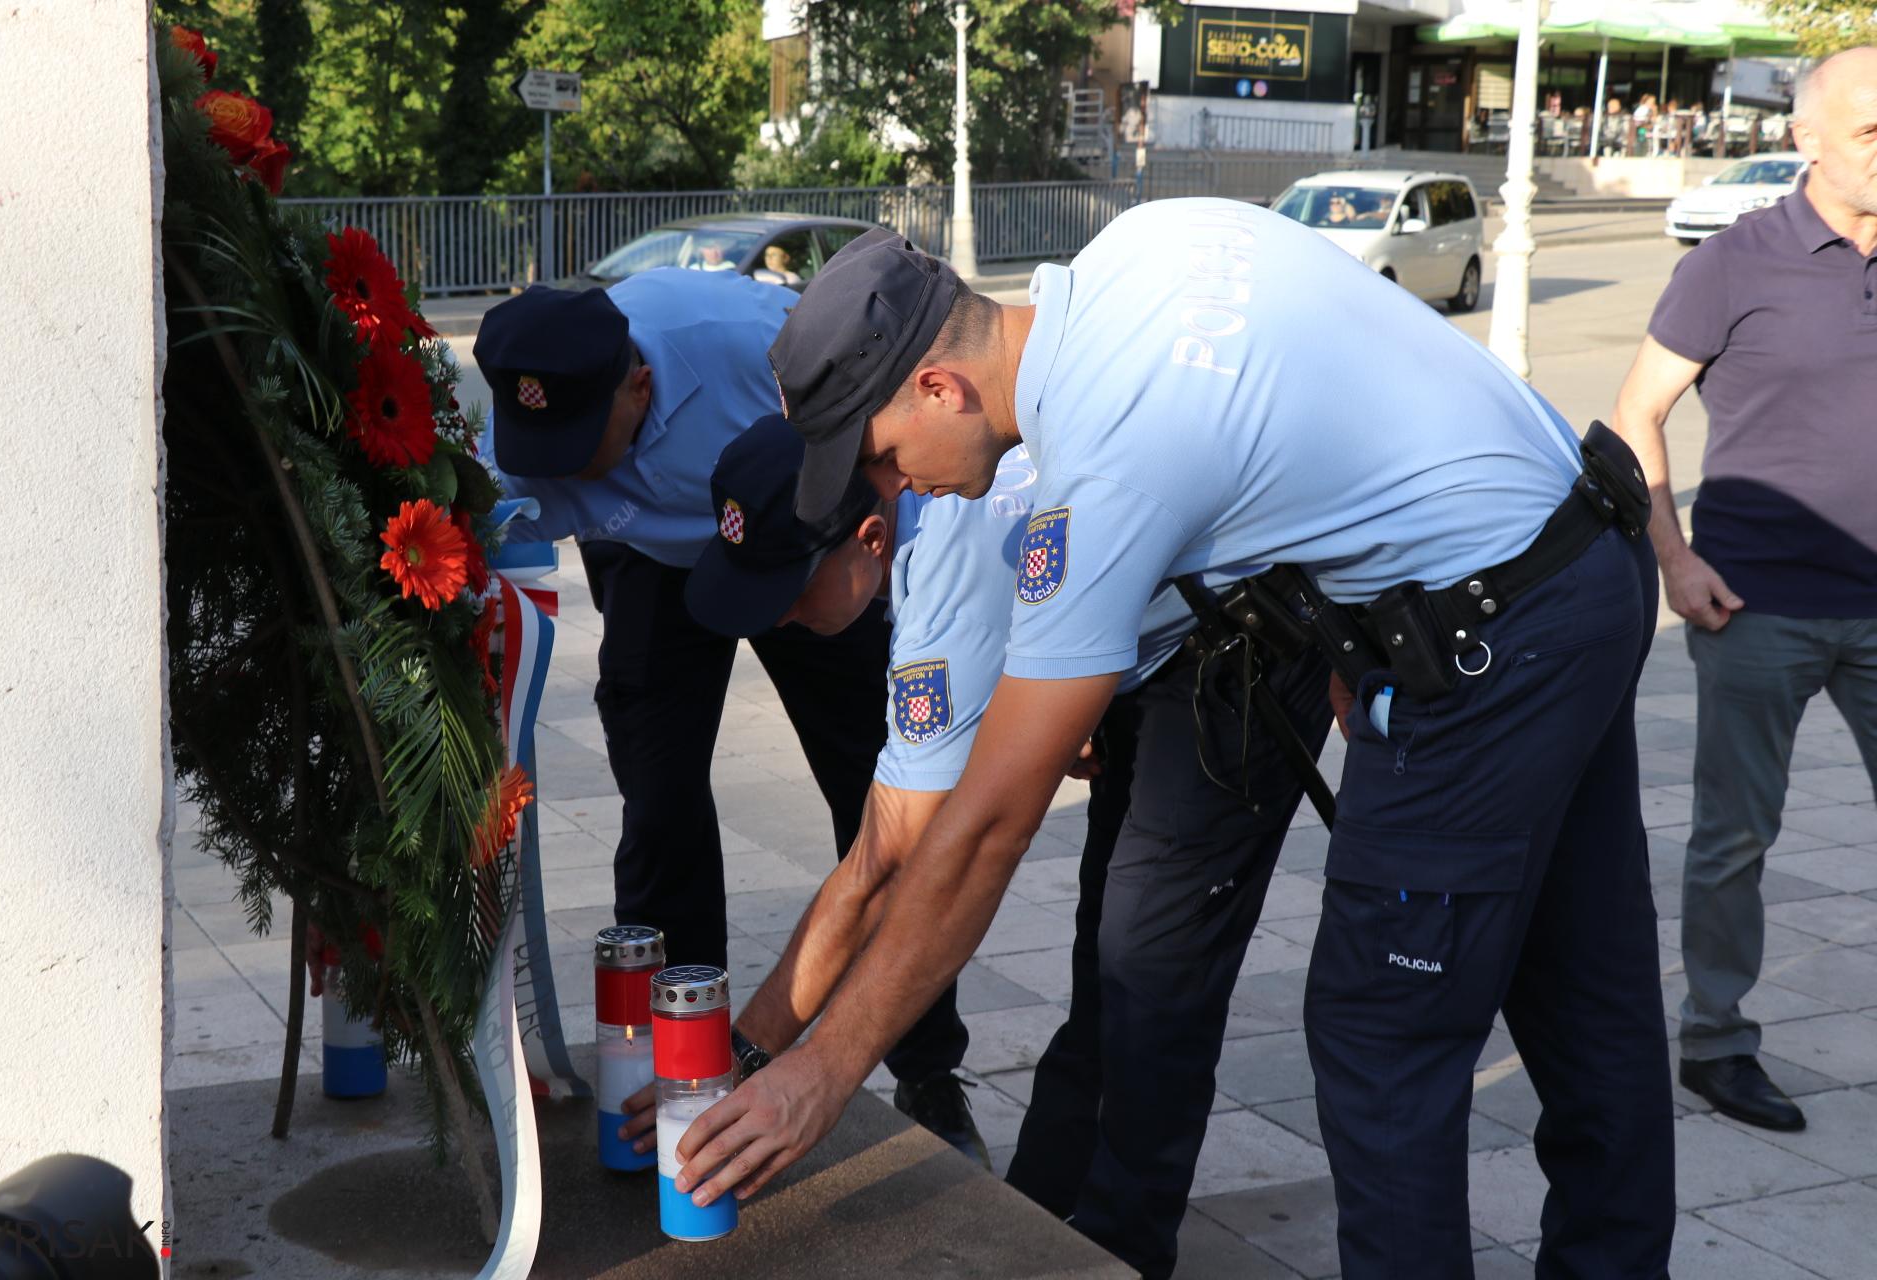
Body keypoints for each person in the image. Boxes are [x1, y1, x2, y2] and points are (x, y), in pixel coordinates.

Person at [664, 205, 1675, 1276]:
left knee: (1382, 1039)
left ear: (938, 389)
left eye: (876, 459)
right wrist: (1357, 602)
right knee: (1586, 996)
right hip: (1582, 555)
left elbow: (988, 824)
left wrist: (823, 1070)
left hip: (1490, 642)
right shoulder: (1137, 247)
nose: (889, 489)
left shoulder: (1100, 462)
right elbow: (1315, 402)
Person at [621, 413, 1331, 1275]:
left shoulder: (949, 584)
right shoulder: (919, 503)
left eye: (789, 595)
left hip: (1243, 641)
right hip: (1154, 644)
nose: (778, 624)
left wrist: (767, 1061)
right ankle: (1038, 1225)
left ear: (870, 540)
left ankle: (1110, 1255)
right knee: (1110, 966)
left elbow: (890, 867)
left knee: (1149, 984)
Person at [472, 273, 975, 1149]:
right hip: (650, 566)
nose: (556, 470)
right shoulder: (530, 431)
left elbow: (884, 454)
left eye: (583, 448)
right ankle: (685, 1066)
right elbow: (476, 549)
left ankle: (928, 1071)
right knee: (660, 807)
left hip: (797, 543)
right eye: (538, 446)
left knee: (879, 797)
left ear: (640, 386)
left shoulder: (750, 347)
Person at [1608, 47, 1877, 1134]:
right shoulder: (1735, 261)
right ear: (1805, 139)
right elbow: (1633, 415)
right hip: (1755, 603)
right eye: (1870, 130)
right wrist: (1675, 558)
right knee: (1735, 838)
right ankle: (1715, 1042)